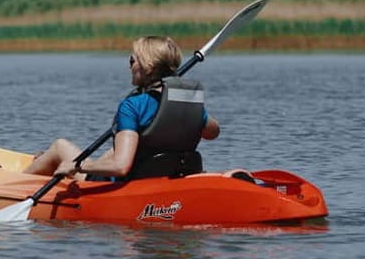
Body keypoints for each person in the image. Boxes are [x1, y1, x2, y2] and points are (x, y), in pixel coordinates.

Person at [22, 35, 220, 181]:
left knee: (60, 147)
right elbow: (213, 132)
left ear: (149, 66)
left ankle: (13, 184)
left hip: (124, 184)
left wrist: (78, 166)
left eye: (132, 61)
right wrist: (194, 108)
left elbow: (121, 167)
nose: (129, 66)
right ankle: (48, 164)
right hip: (167, 174)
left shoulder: (132, 105)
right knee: (118, 147)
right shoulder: (184, 100)